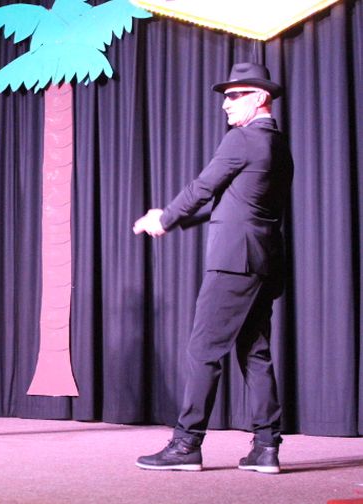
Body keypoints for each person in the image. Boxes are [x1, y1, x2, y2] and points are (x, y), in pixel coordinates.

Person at [132, 63, 294, 473]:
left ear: (260, 97)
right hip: (263, 261)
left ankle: (186, 444)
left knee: (204, 350)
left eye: (235, 95)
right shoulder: (278, 146)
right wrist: (175, 219)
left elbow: (203, 188)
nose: (225, 104)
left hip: (234, 262)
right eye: (225, 96)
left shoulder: (242, 139)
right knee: (254, 351)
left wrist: (165, 218)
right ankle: (266, 447)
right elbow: (235, 203)